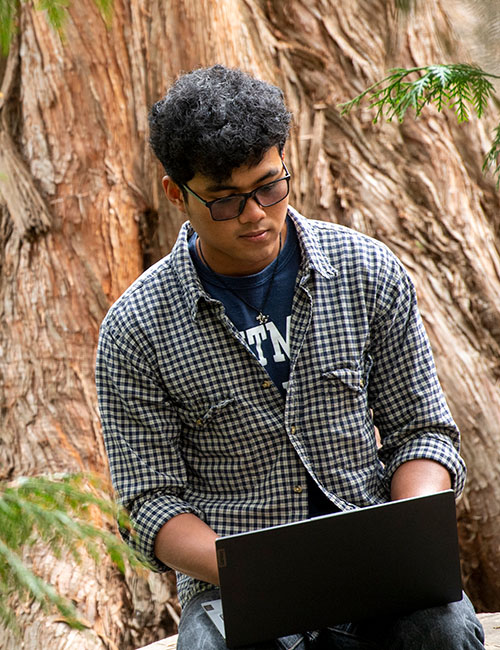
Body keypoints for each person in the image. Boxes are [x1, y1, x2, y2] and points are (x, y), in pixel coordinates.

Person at [95, 64, 485, 649]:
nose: (255, 214)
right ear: (178, 193)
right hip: (233, 587)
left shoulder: (366, 272)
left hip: (377, 562)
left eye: (269, 186)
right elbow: (150, 501)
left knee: (446, 632)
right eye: (225, 201)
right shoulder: (136, 329)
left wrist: (406, 536)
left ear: (284, 162)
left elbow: (423, 434)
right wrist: (252, 570)